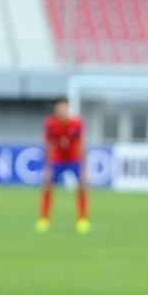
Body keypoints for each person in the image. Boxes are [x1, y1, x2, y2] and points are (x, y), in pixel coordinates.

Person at [36, 97, 90, 234]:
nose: (61, 111)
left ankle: (82, 220)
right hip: (57, 159)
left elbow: (82, 145)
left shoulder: (77, 123)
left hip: (74, 159)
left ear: (68, 109)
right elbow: (48, 145)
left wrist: (84, 169)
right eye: (58, 109)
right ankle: (44, 220)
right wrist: (47, 168)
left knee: (82, 186)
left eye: (63, 108)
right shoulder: (51, 123)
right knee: (47, 185)